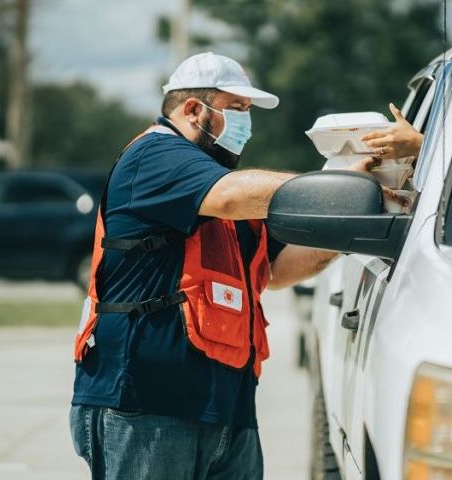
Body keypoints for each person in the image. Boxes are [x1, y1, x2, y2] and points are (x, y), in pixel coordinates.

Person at [68, 52, 373, 480]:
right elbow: (230, 195)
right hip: (146, 403)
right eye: (238, 110)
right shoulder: (155, 157)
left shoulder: (220, 186)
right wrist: (340, 187)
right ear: (193, 110)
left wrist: (349, 225)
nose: (246, 124)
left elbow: (278, 270)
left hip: (226, 407)